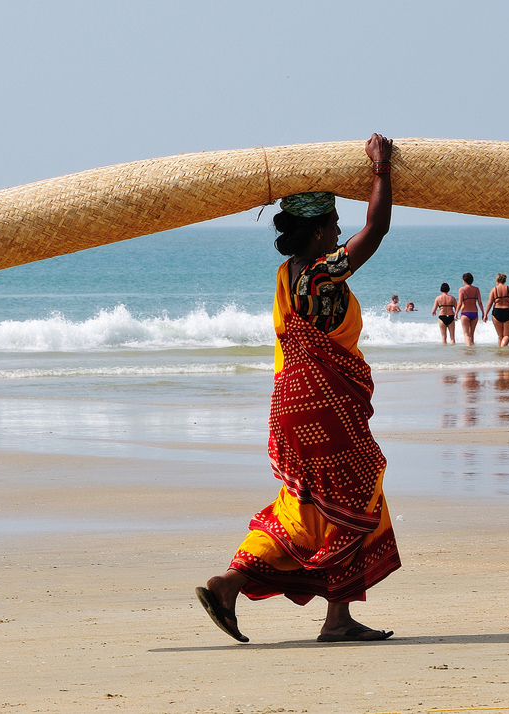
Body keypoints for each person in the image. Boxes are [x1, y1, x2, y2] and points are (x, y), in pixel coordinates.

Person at [196, 134, 399, 644]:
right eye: (331, 223)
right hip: (322, 406)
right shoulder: (319, 276)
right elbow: (375, 230)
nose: (338, 229)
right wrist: (382, 169)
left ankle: (230, 582)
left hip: (291, 402)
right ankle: (337, 619)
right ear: (314, 233)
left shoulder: (287, 275)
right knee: (356, 498)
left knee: (308, 502)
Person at [484, 273, 509, 347]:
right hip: (508, 311)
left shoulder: (494, 289)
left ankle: (500, 354)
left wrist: (485, 314)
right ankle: (502, 349)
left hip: (497, 312)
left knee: (500, 336)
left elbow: (489, 303)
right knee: (507, 335)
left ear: (497, 280)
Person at [457, 273, 484, 346]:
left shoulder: (462, 290)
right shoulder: (476, 289)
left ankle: (469, 351)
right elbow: (480, 303)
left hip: (465, 313)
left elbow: (459, 303)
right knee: (471, 334)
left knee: (466, 334)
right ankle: (472, 351)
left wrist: (456, 313)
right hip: (474, 313)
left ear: (464, 281)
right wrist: (483, 313)